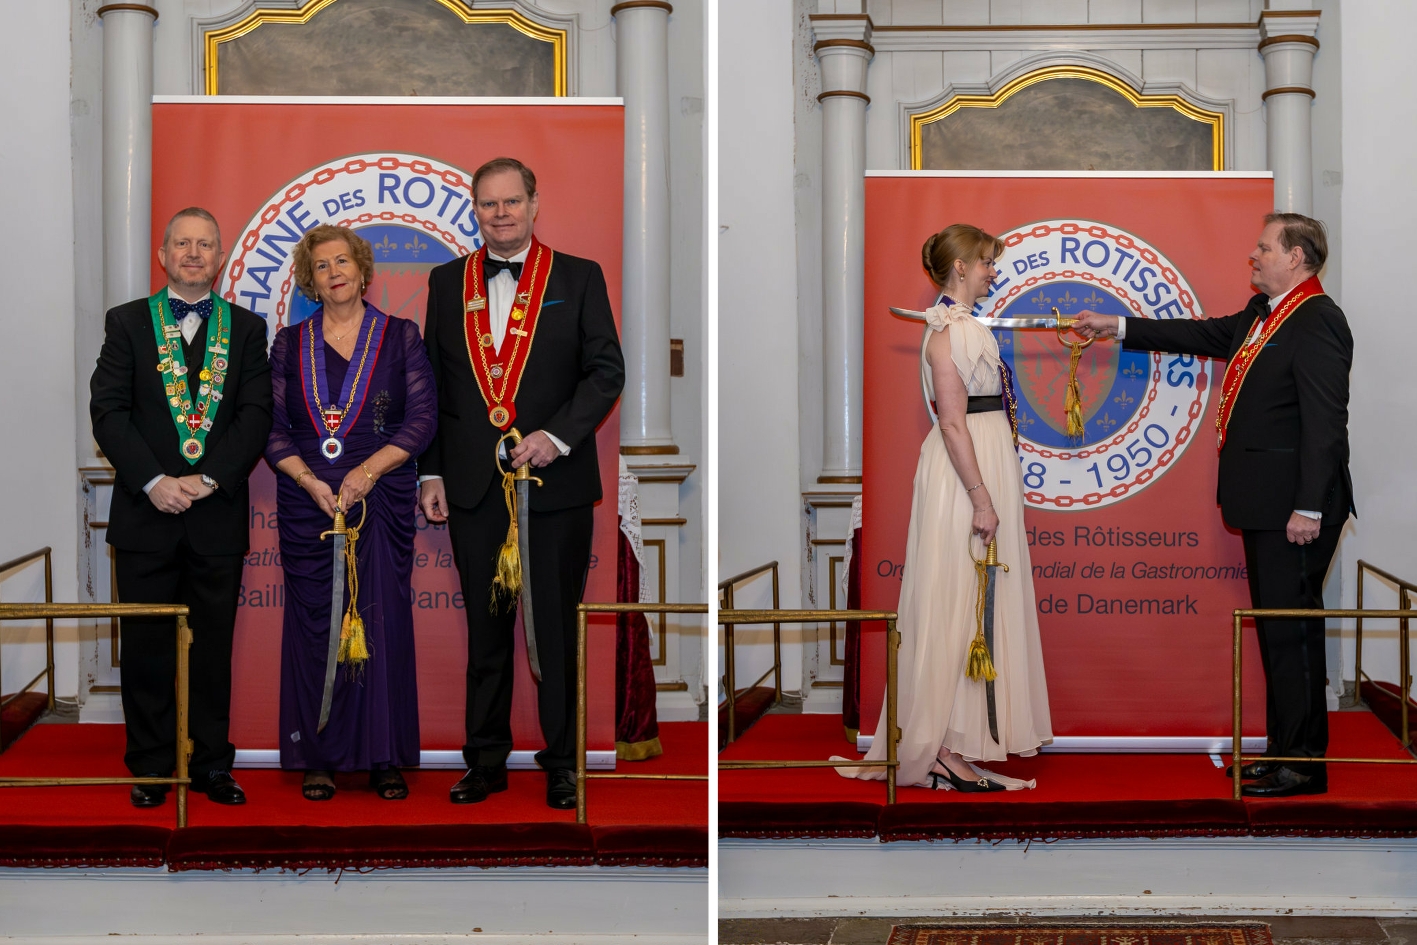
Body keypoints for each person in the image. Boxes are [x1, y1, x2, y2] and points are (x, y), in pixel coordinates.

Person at [1074, 212, 1353, 798]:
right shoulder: (1262, 314)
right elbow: (1198, 335)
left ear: (1295, 257)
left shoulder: (1318, 319)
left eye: (1265, 248)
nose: (1254, 255)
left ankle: (1305, 765)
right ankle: (1283, 751)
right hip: (1265, 505)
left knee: (1294, 635)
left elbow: (1326, 423)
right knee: (1277, 634)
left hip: (1294, 510)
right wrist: (1114, 326)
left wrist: (1309, 507)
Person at [418, 157, 624, 809]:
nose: (500, 213)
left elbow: (606, 371)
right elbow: (432, 384)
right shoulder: (445, 281)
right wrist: (430, 469)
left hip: (554, 485)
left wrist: (555, 437)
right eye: (488, 204)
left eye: (511, 201)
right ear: (474, 210)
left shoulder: (579, 276)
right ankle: (485, 761)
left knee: (555, 632)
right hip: (473, 487)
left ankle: (563, 762)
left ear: (534, 204)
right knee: (486, 634)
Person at [840, 224, 1053, 792]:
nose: (992, 272)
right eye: (985, 262)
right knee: (956, 603)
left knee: (968, 602)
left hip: (977, 464)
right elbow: (954, 422)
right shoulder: (951, 332)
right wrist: (981, 497)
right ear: (960, 267)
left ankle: (952, 745)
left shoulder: (956, 326)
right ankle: (939, 749)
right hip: (966, 475)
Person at [90, 207, 273, 807]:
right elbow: (108, 411)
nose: (193, 254)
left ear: (219, 257)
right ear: (163, 255)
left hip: (216, 519)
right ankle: (151, 767)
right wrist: (152, 481)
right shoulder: (126, 322)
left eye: (205, 245)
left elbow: (256, 416)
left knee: (212, 651)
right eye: (182, 244)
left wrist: (209, 479)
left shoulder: (247, 328)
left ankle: (211, 765)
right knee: (145, 651)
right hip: (145, 517)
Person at [265, 225, 437, 801]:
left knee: (380, 621)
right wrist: (309, 480)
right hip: (308, 499)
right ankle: (319, 756)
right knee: (317, 625)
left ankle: (383, 757)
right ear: (309, 281)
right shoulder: (288, 344)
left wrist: (367, 473)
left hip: (380, 494)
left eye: (343, 261)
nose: (334, 272)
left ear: (363, 271)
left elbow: (422, 420)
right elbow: (272, 429)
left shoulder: (401, 335)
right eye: (321, 265)